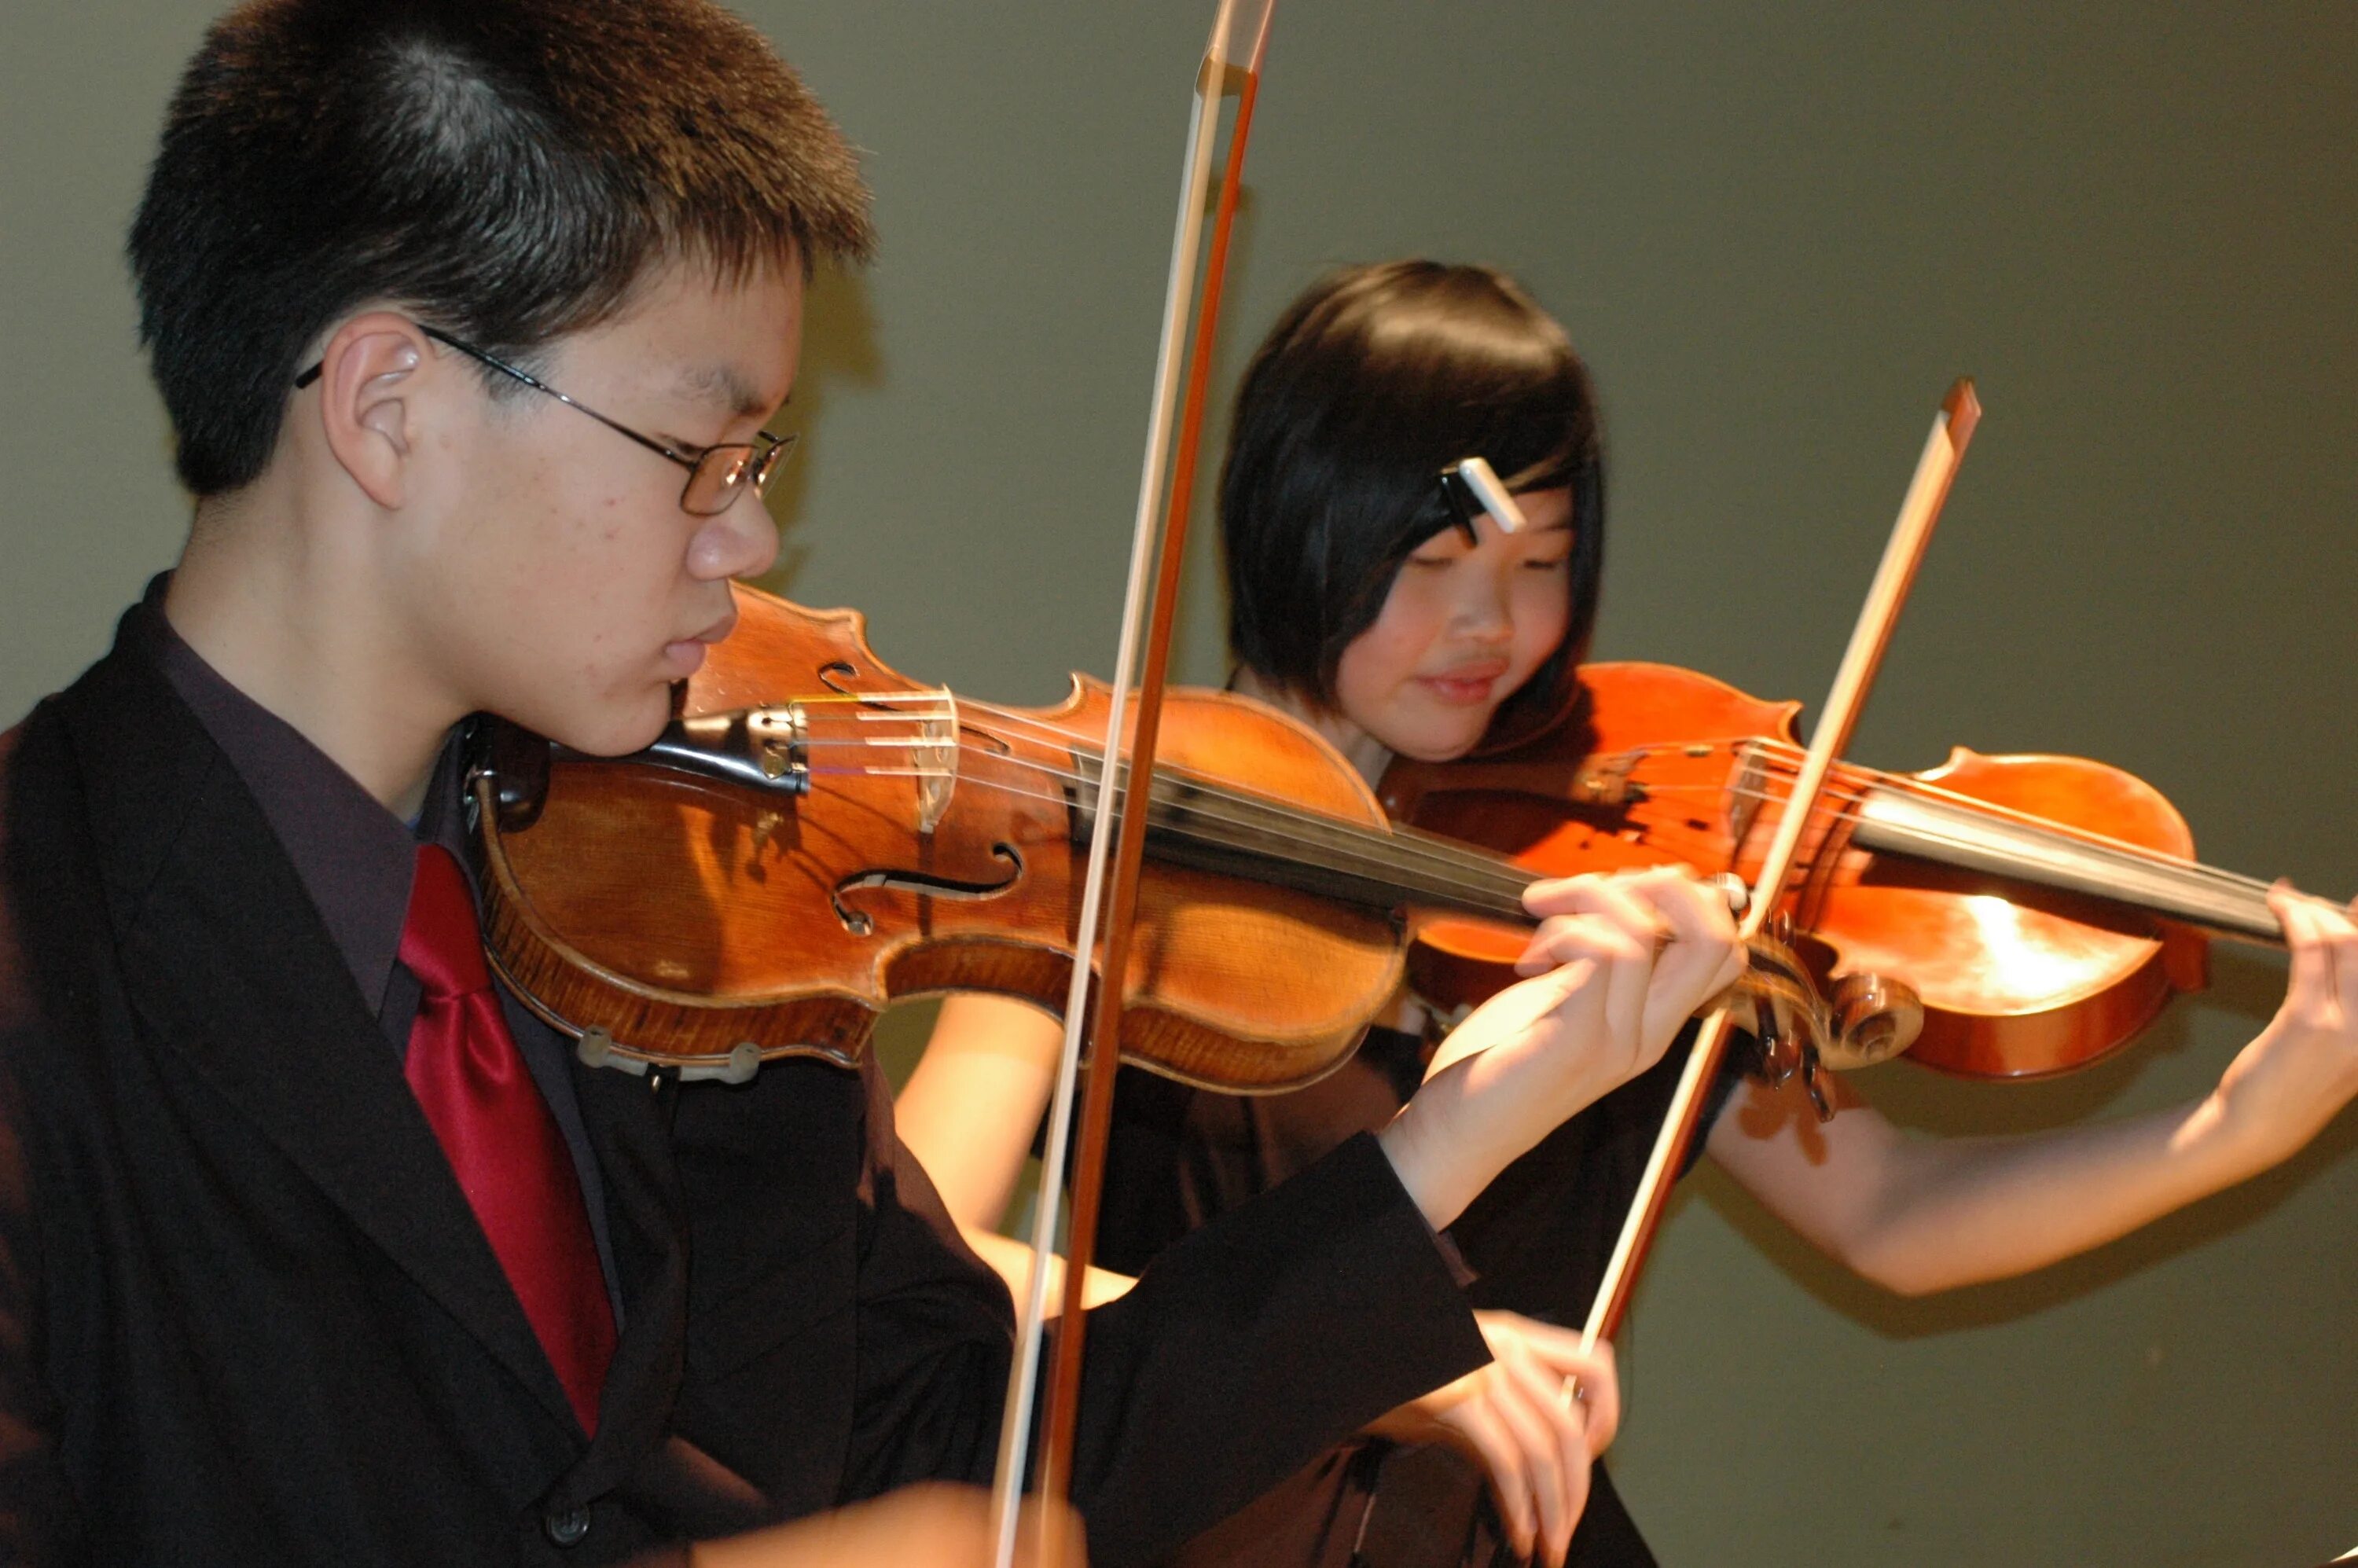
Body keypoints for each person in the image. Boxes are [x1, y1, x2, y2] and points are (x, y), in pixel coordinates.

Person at [0, 13, 1754, 1568]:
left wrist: (1451, 1136)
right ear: (390, 406)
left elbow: (962, 1444)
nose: (754, 538)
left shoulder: (697, 890)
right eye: (703, 454)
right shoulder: (38, 950)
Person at [893, 259, 2358, 1567]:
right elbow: (935, 1254)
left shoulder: (1594, 853)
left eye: (1539, 567)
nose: (1494, 630)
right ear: (1302, 536)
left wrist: (2240, 1129)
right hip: (1221, 1523)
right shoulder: (1137, 834)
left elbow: (1895, 1216)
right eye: (1434, 567)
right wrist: (1395, 1356)